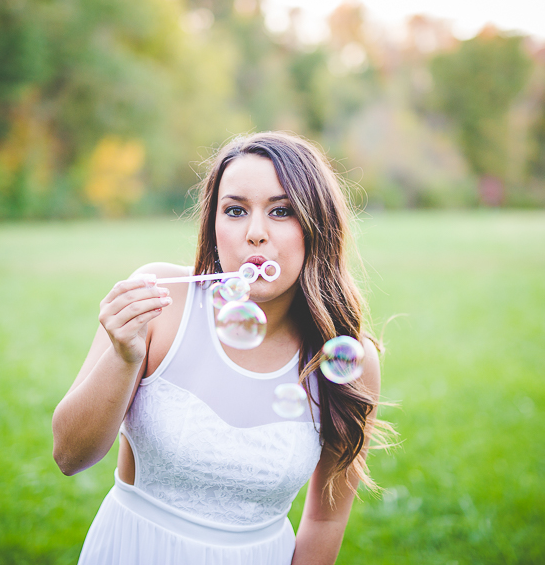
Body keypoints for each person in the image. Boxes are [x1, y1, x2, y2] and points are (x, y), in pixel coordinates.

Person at [52, 132, 392, 564]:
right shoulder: (160, 301)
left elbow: (325, 522)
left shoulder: (347, 359)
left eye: (281, 211)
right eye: (235, 210)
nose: (255, 234)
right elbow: (69, 456)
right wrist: (123, 357)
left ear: (317, 226)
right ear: (213, 225)